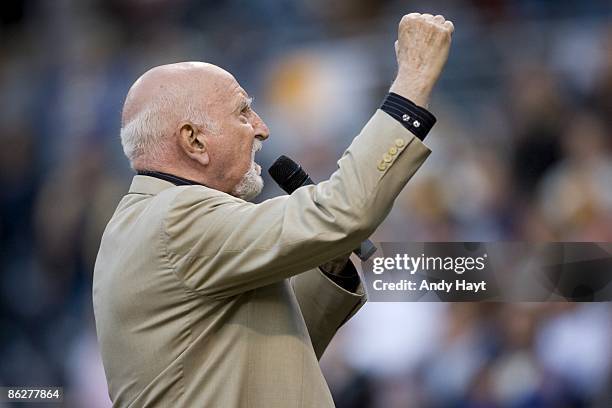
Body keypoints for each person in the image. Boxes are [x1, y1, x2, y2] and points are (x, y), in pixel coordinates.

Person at [93, 12, 454, 407]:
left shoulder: (147, 222)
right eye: (242, 112)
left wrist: (329, 262)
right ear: (193, 141)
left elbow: (268, 365)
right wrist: (412, 83)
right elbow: (342, 211)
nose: (262, 127)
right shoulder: (175, 218)